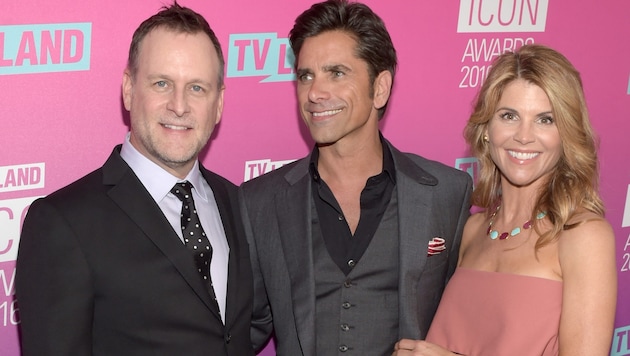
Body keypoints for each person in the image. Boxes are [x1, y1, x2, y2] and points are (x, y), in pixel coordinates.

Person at [15, 3, 253, 355]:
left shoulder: (239, 203)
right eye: (161, 83)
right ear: (129, 89)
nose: (179, 105)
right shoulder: (62, 222)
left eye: (197, 88)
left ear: (218, 104)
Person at [239, 0, 473, 355]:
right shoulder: (259, 201)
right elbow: (245, 329)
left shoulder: (447, 193)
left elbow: (471, 320)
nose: (315, 92)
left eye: (337, 73)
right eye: (306, 75)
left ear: (380, 88)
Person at [393, 44, 617, 355]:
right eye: (509, 116)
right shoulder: (472, 229)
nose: (524, 136)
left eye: (545, 120)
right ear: (487, 129)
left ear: (566, 134)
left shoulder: (582, 236)